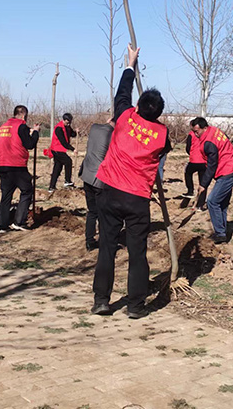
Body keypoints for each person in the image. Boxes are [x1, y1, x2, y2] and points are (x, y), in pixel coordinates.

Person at [91, 44, 171, 319]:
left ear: (137, 107)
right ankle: (136, 306)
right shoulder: (162, 134)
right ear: (159, 113)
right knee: (138, 253)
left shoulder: (125, 117)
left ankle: (102, 301)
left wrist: (130, 64)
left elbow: (122, 92)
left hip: (110, 192)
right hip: (137, 199)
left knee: (107, 248)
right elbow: (165, 150)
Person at [191, 118, 233, 244]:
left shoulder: (208, 142)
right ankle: (223, 230)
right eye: (193, 132)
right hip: (231, 168)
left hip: (227, 172)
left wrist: (203, 184)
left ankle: (220, 233)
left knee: (212, 201)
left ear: (204, 128)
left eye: (197, 131)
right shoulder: (215, 131)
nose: (196, 134)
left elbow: (212, 165)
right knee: (221, 203)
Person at [0, 105, 40, 233]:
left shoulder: (3, 127)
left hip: (3, 165)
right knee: (27, 191)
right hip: (17, 165)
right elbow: (30, 144)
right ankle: (19, 221)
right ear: (23, 115)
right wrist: (36, 132)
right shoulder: (21, 126)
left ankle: (3, 225)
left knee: (6, 196)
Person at [79, 119, 115, 251]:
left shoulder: (94, 128)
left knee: (92, 211)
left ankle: (89, 241)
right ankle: (105, 241)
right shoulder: (113, 135)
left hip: (86, 175)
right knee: (103, 212)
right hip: (99, 179)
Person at [48, 113, 78, 192]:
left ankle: (51, 187)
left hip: (60, 150)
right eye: (67, 122)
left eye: (69, 122)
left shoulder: (67, 127)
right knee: (68, 161)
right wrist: (72, 149)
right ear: (64, 120)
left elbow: (72, 134)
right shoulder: (59, 128)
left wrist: (76, 132)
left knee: (57, 168)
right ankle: (67, 181)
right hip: (56, 149)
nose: (68, 124)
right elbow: (63, 142)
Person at [181, 121, 207, 209]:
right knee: (203, 182)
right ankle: (200, 204)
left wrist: (192, 153)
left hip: (194, 160)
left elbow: (187, 148)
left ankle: (190, 190)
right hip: (204, 161)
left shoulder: (191, 134)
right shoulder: (205, 134)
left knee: (188, 173)